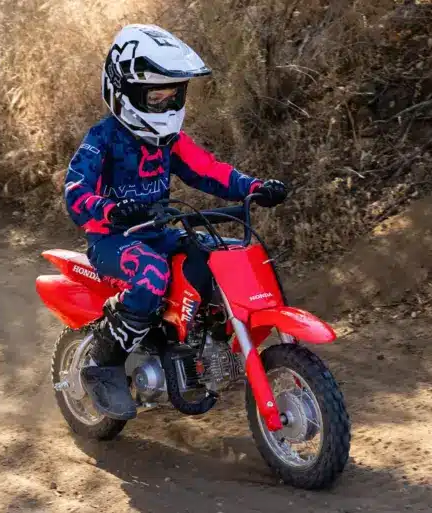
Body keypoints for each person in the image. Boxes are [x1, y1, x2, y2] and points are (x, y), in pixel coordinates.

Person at [63, 24, 288, 420]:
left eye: (174, 94)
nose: (167, 104)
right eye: (156, 96)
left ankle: (192, 342)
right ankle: (104, 364)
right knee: (150, 273)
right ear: (125, 90)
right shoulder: (102, 139)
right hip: (113, 240)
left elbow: (209, 171)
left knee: (216, 251)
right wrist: (110, 210)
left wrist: (253, 188)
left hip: (159, 232)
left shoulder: (170, 141)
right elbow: (75, 193)